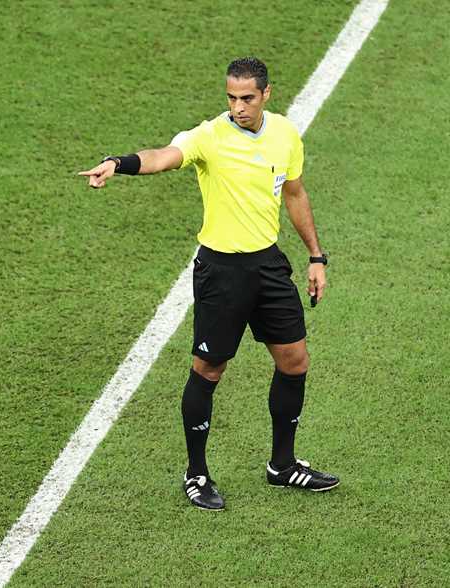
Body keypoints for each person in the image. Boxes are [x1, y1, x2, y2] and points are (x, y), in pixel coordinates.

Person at [79, 57, 339, 511]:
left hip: (269, 266)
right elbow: (164, 157)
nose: (238, 107)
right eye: (231, 97)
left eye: (247, 98)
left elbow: (295, 193)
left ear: (266, 94)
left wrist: (316, 256)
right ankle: (196, 473)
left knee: (295, 361)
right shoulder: (209, 137)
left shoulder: (284, 134)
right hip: (221, 272)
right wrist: (118, 164)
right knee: (209, 369)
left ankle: (282, 465)